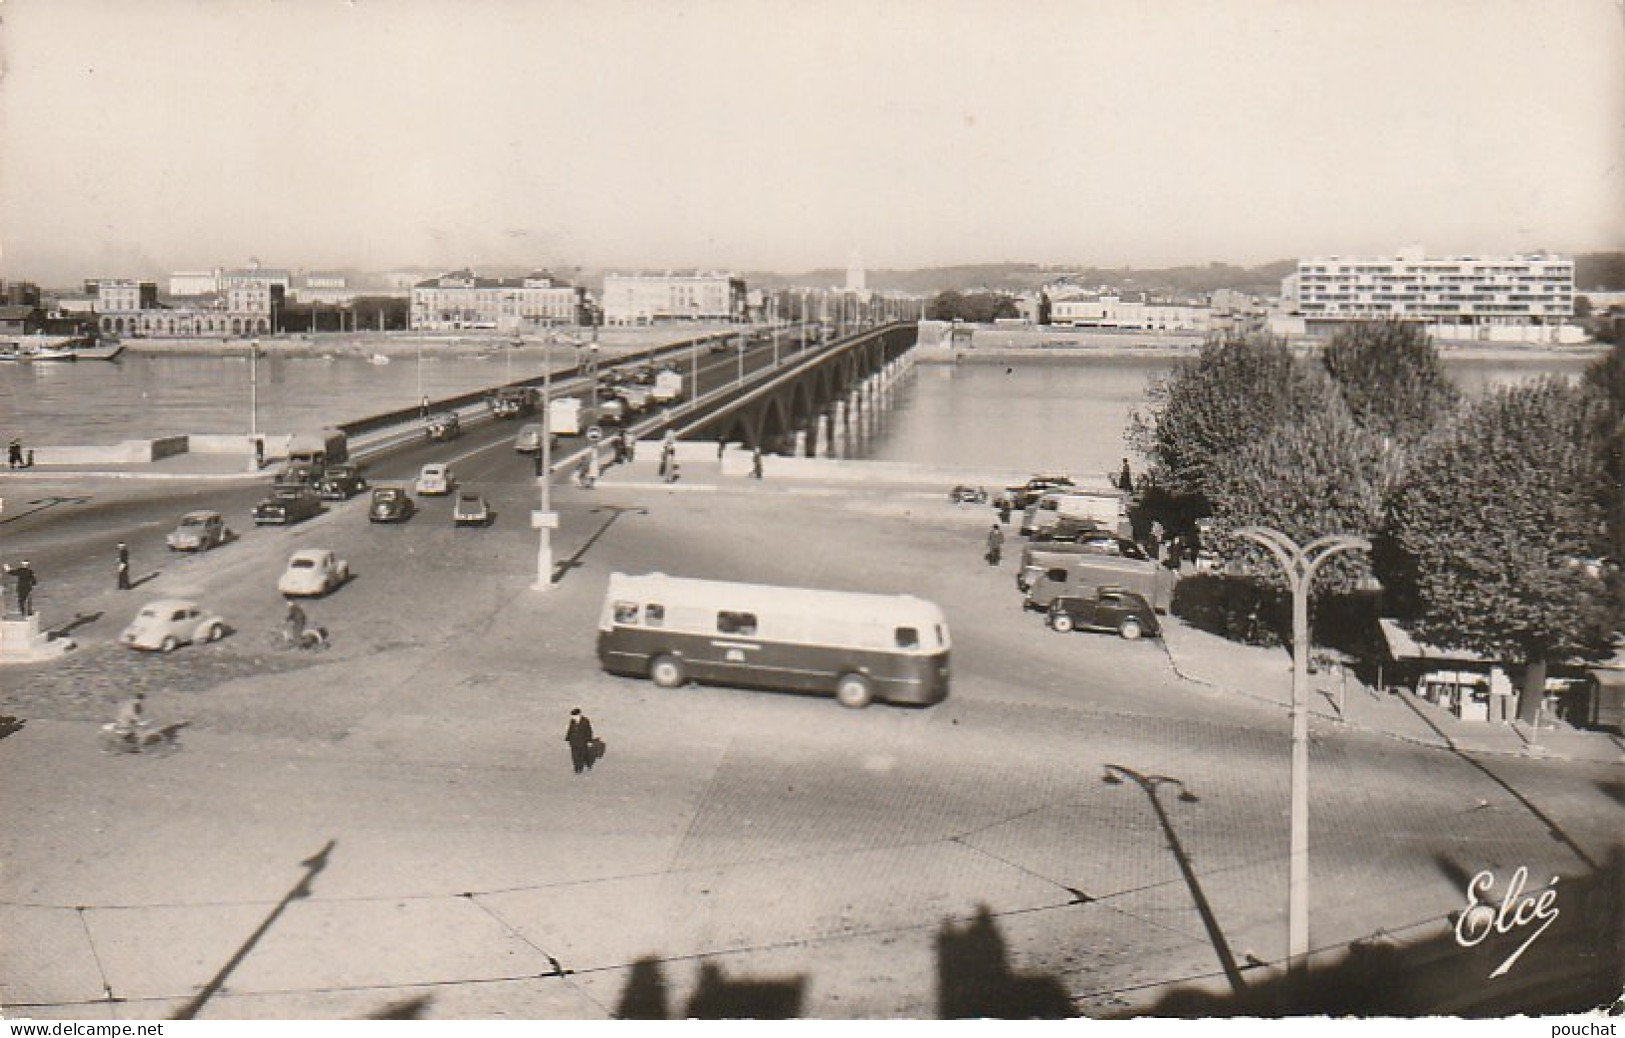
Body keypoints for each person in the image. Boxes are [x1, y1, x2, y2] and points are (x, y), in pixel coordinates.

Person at [565, 707, 595, 775]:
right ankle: (576, 768)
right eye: (573, 716)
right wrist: (568, 739)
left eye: (574, 716)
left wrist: (589, 740)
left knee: (582, 755)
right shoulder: (572, 721)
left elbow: (588, 731)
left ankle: (583, 766)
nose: (573, 717)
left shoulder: (585, 721)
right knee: (574, 755)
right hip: (573, 741)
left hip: (582, 741)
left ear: (579, 715)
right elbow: (570, 730)